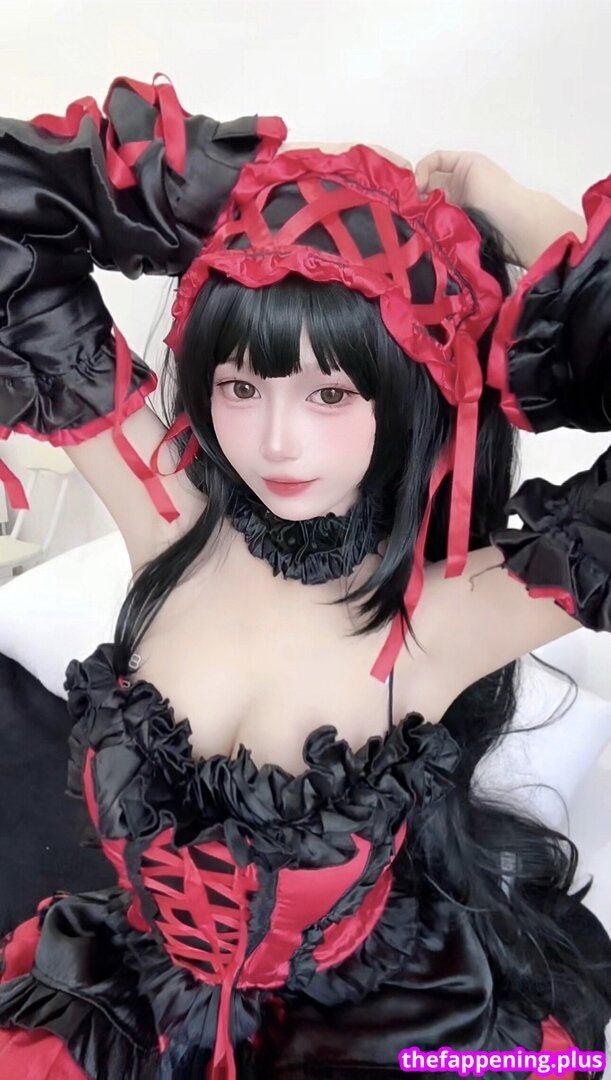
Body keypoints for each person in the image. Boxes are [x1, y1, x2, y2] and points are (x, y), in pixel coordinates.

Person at [0, 73, 610, 1079]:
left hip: (367, 1033)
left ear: (405, 397)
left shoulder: (444, 616)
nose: (275, 442)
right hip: (121, 1007)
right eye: (240, 385)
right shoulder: (170, 516)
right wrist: (253, 194)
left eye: (329, 393)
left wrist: (513, 212)